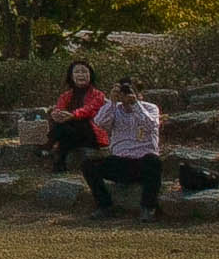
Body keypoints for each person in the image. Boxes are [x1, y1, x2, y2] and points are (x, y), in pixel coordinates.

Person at [84, 75, 164, 220]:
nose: (126, 94)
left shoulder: (150, 108)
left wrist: (135, 104)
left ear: (140, 93)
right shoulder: (114, 109)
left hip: (143, 162)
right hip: (119, 161)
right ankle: (104, 206)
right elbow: (99, 122)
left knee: (154, 161)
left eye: (130, 90)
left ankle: (148, 208)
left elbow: (150, 125)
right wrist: (112, 102)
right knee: (89, 165)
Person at [46, 61, 107, 175]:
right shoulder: (65, 95)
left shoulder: (99, 95)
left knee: (77, 123)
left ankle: (47, 146)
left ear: (90, 75)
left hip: (90, 134)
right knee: (63, 127)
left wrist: (72, 116)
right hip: (71, 133)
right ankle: (59, 162)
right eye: (77, 72)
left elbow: (88, 110)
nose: (81, 75)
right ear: (71, 76)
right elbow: (59, 108)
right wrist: (56, 114)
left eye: (84, 72)